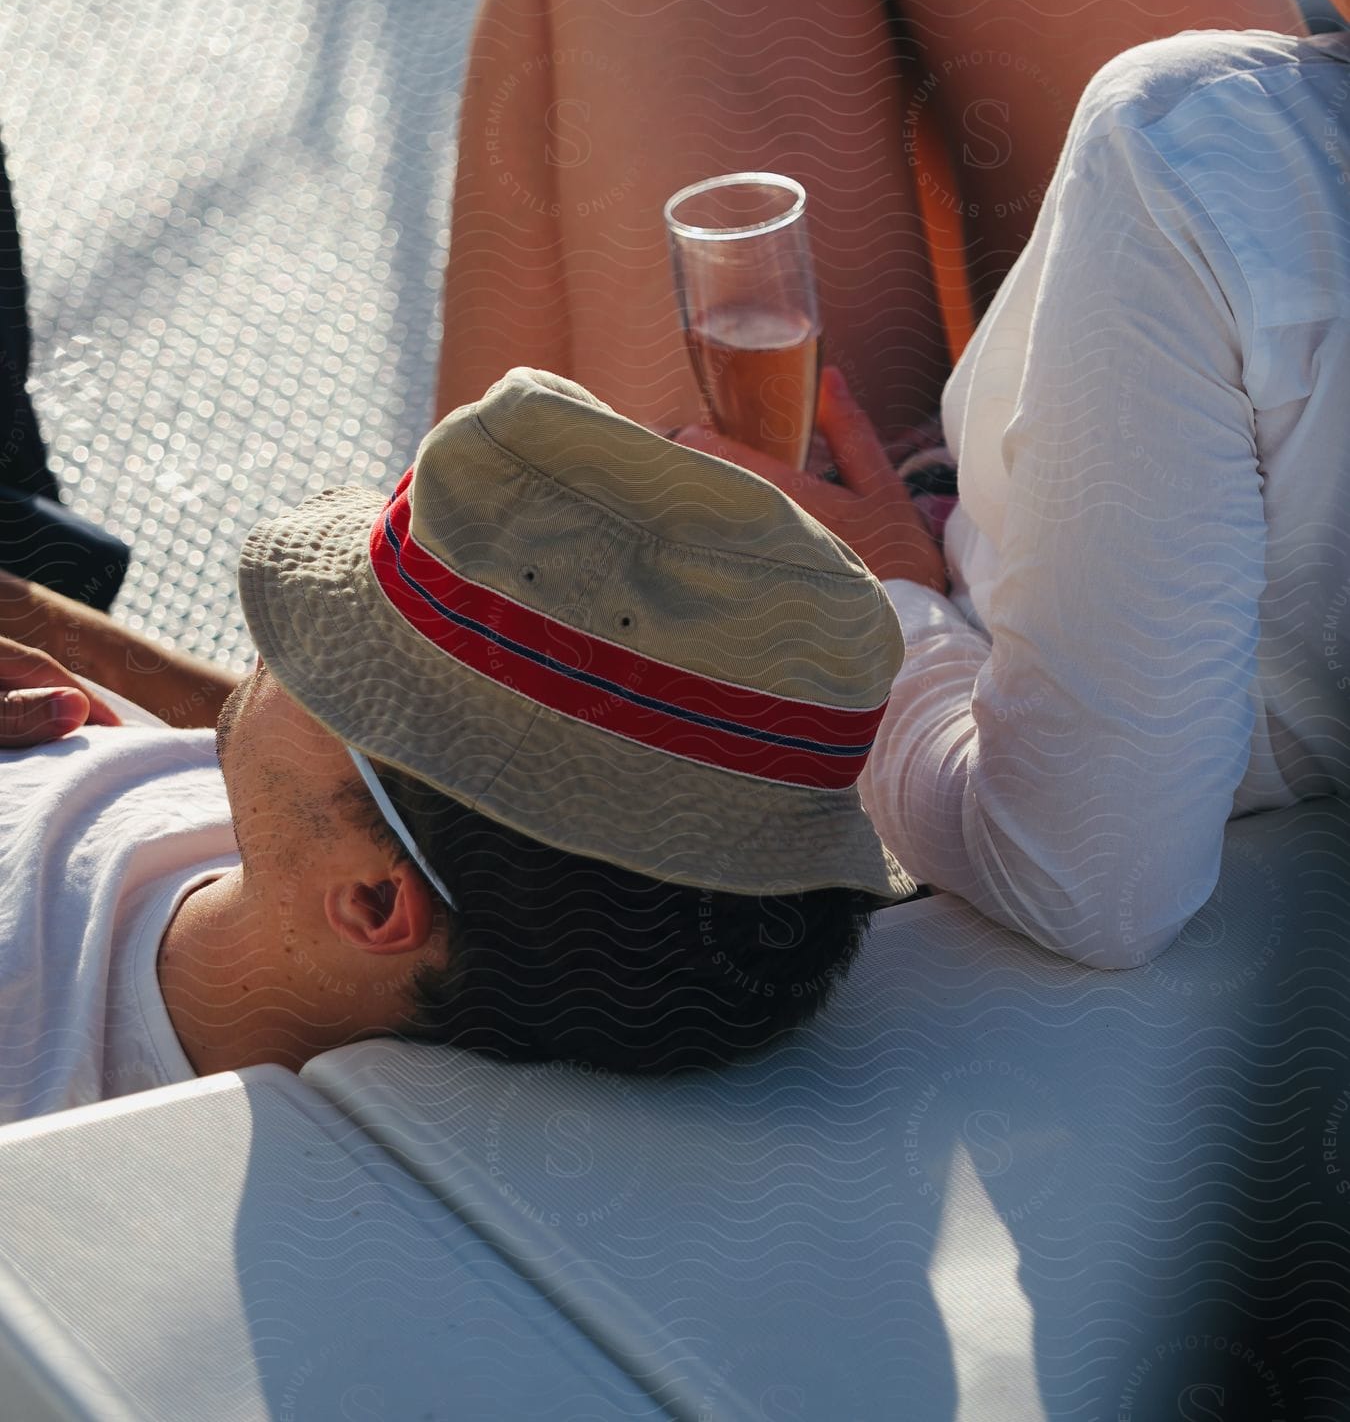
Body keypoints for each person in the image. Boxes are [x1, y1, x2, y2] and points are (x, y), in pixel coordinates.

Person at [434, 0, 1349, 970]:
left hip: (989, 749)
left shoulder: (1194, 151)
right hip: (1142, 571)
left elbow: (1090, 874)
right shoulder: (1209, 168)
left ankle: (434, 701)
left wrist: (893, 611)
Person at [0, 367, 917, 1126]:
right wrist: (35, 614)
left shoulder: (34, 1056)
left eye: (341, 665)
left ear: (372, 902)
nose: (278, 647)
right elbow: (303, 760)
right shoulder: (353, 868)